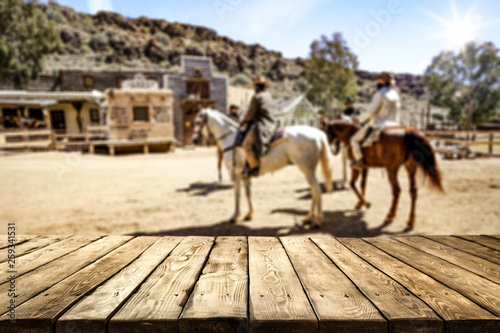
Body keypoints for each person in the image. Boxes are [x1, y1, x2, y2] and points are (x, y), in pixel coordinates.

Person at [350, 71, 401, 169]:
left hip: (380, 124)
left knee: (354, 140)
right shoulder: (396, 95)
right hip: (395, 125)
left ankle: (359, 162)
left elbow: (371, 112)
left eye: (380, 79)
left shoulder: (380, 93)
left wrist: (359, 119)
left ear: (384, 81)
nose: (378, 81)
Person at [240, 76, 276, 177]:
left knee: (246, 145)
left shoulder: (257, 96)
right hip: (272, 123)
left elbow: (250, 114)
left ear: (255, 86)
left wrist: (244, 120)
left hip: (261, 124)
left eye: (254, 86)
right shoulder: (269, 95)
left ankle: (254, 167)